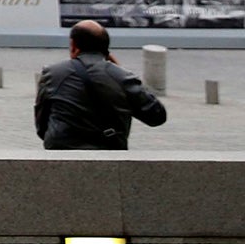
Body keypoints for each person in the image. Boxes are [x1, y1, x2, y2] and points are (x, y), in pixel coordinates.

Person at [34, 20, 168, 150]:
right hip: (109, 155)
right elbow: (156, 117)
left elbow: (41, 126)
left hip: (61, 154)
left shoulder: (52, 74)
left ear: (73, 45)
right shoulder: (122, 78)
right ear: (106, 49)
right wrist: (121, 72)